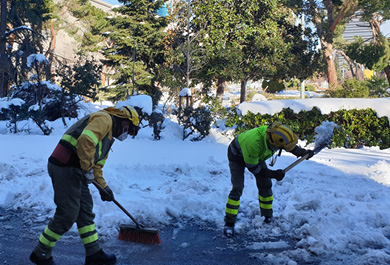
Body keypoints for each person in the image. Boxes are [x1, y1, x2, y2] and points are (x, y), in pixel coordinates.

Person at [29, 106, 140, 265]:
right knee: (67, 214)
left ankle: (94, 253)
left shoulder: (108, 139)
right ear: (124, 121)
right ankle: (41, 253)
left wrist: (104, 188)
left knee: (85, 211)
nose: (126, 134)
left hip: (76, 170)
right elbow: (86, 140)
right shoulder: (105, 119)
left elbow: (97, 167)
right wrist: (86, 168)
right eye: (128, 129)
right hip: (64, 166)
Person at [223, 122, 314, 237]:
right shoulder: (254, 144)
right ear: (272, 143)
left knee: (265, 185)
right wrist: (274, 174)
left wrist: (303, 153)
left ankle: (267, 217)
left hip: (256, 156)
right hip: (237, 156)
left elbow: (288, 146)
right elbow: (255, 169)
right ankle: (229, 223)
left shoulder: (273, 134)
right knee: (237, 187)